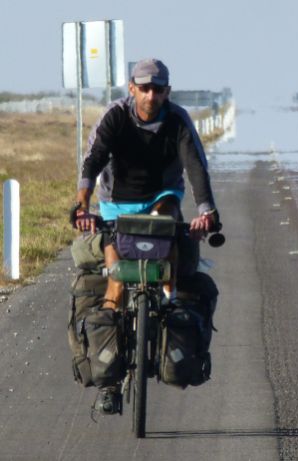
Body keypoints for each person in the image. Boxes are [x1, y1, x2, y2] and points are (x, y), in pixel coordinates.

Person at [72, 58, 219, 413]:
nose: (151, 95)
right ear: (132, 88)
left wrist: (207, 213)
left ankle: (167, 298)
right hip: (116, 204)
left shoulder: (177, 120)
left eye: (158, 88)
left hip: (161, 196)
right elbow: (92, 160)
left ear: (167, 90)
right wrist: (81, 205)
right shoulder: (116, 116)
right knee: (117, 281)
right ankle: (109, 382)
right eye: (145, 87)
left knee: (167, 224)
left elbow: (196, 166)